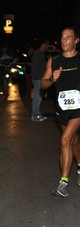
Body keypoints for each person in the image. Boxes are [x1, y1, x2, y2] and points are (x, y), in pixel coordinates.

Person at [41, 27, 80, 198]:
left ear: (76, 41)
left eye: (68, 37)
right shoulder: (54, 60)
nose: (64, 40)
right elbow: (43, 84)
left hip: (79, 108)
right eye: (62, 37)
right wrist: (52, 79)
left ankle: (63, 183)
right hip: (62, 109)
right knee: (73, 141)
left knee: (65, 140)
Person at [31, 37, 49, 122]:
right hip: (38, 78)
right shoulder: (38, 54)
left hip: (40, 78)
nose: (48, 46)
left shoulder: (40, 54)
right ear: (43, 44)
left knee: (39, 97)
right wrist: (38, 77)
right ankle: (35, 115)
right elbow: (34, 67)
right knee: (37, 97)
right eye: (47, 44)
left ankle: (37, 113)